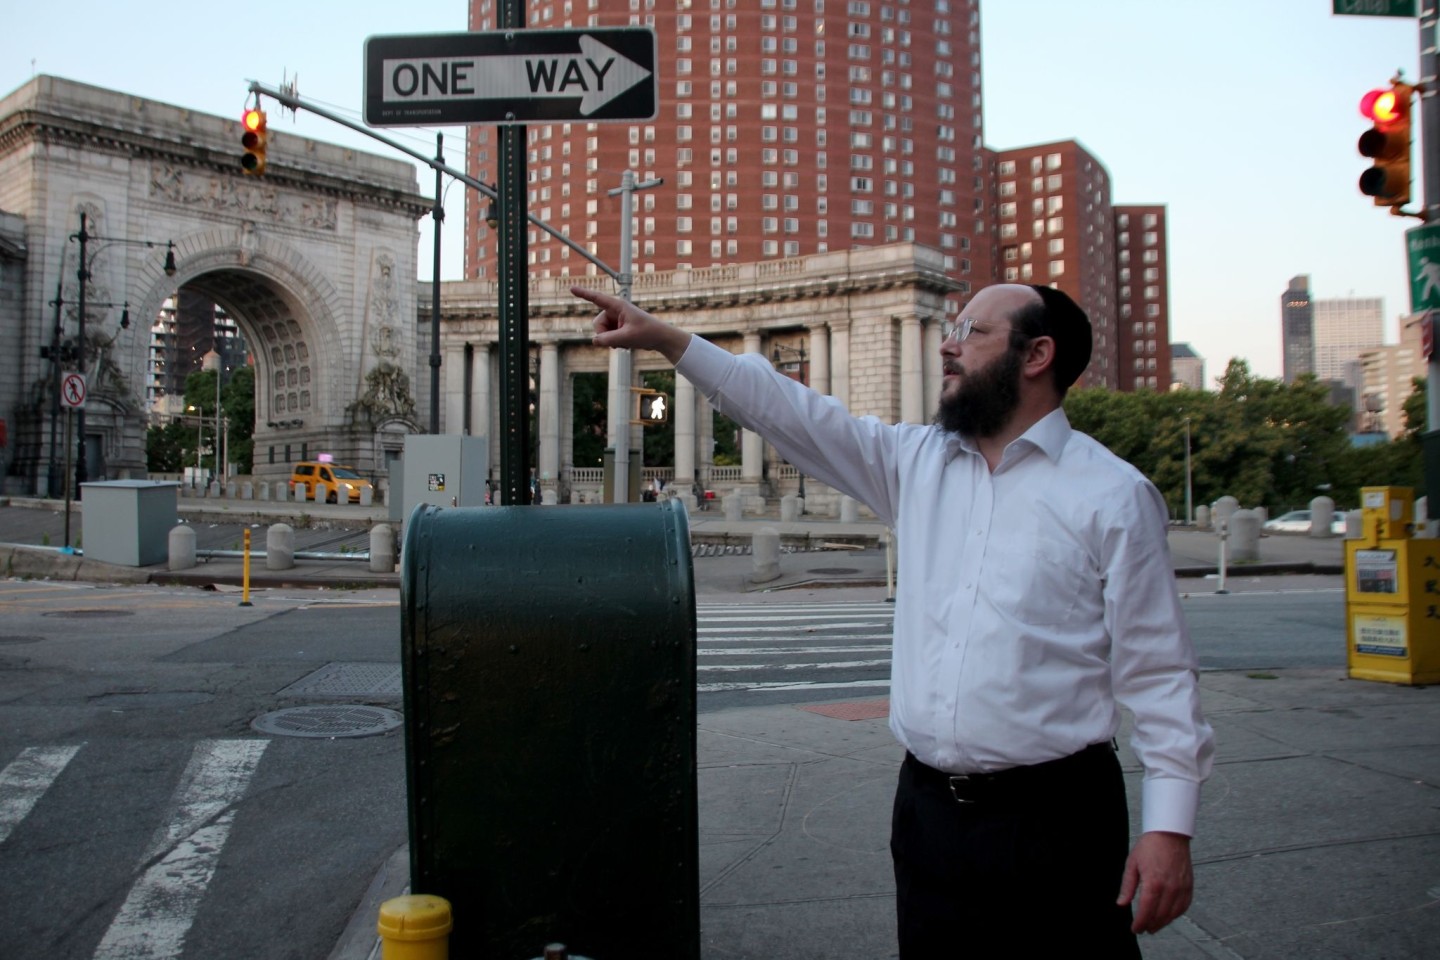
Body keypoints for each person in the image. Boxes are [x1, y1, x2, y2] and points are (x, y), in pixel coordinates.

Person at [571, 282, 1214, 956]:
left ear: (1037, 354)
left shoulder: (1112, 495)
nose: (948, 343)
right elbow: (790, 412)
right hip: (927, 814)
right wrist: (670, 340)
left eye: (972, 330)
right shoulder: (917, 463)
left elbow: (1161, 672)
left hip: (1056, 820)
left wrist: (1169, 831)